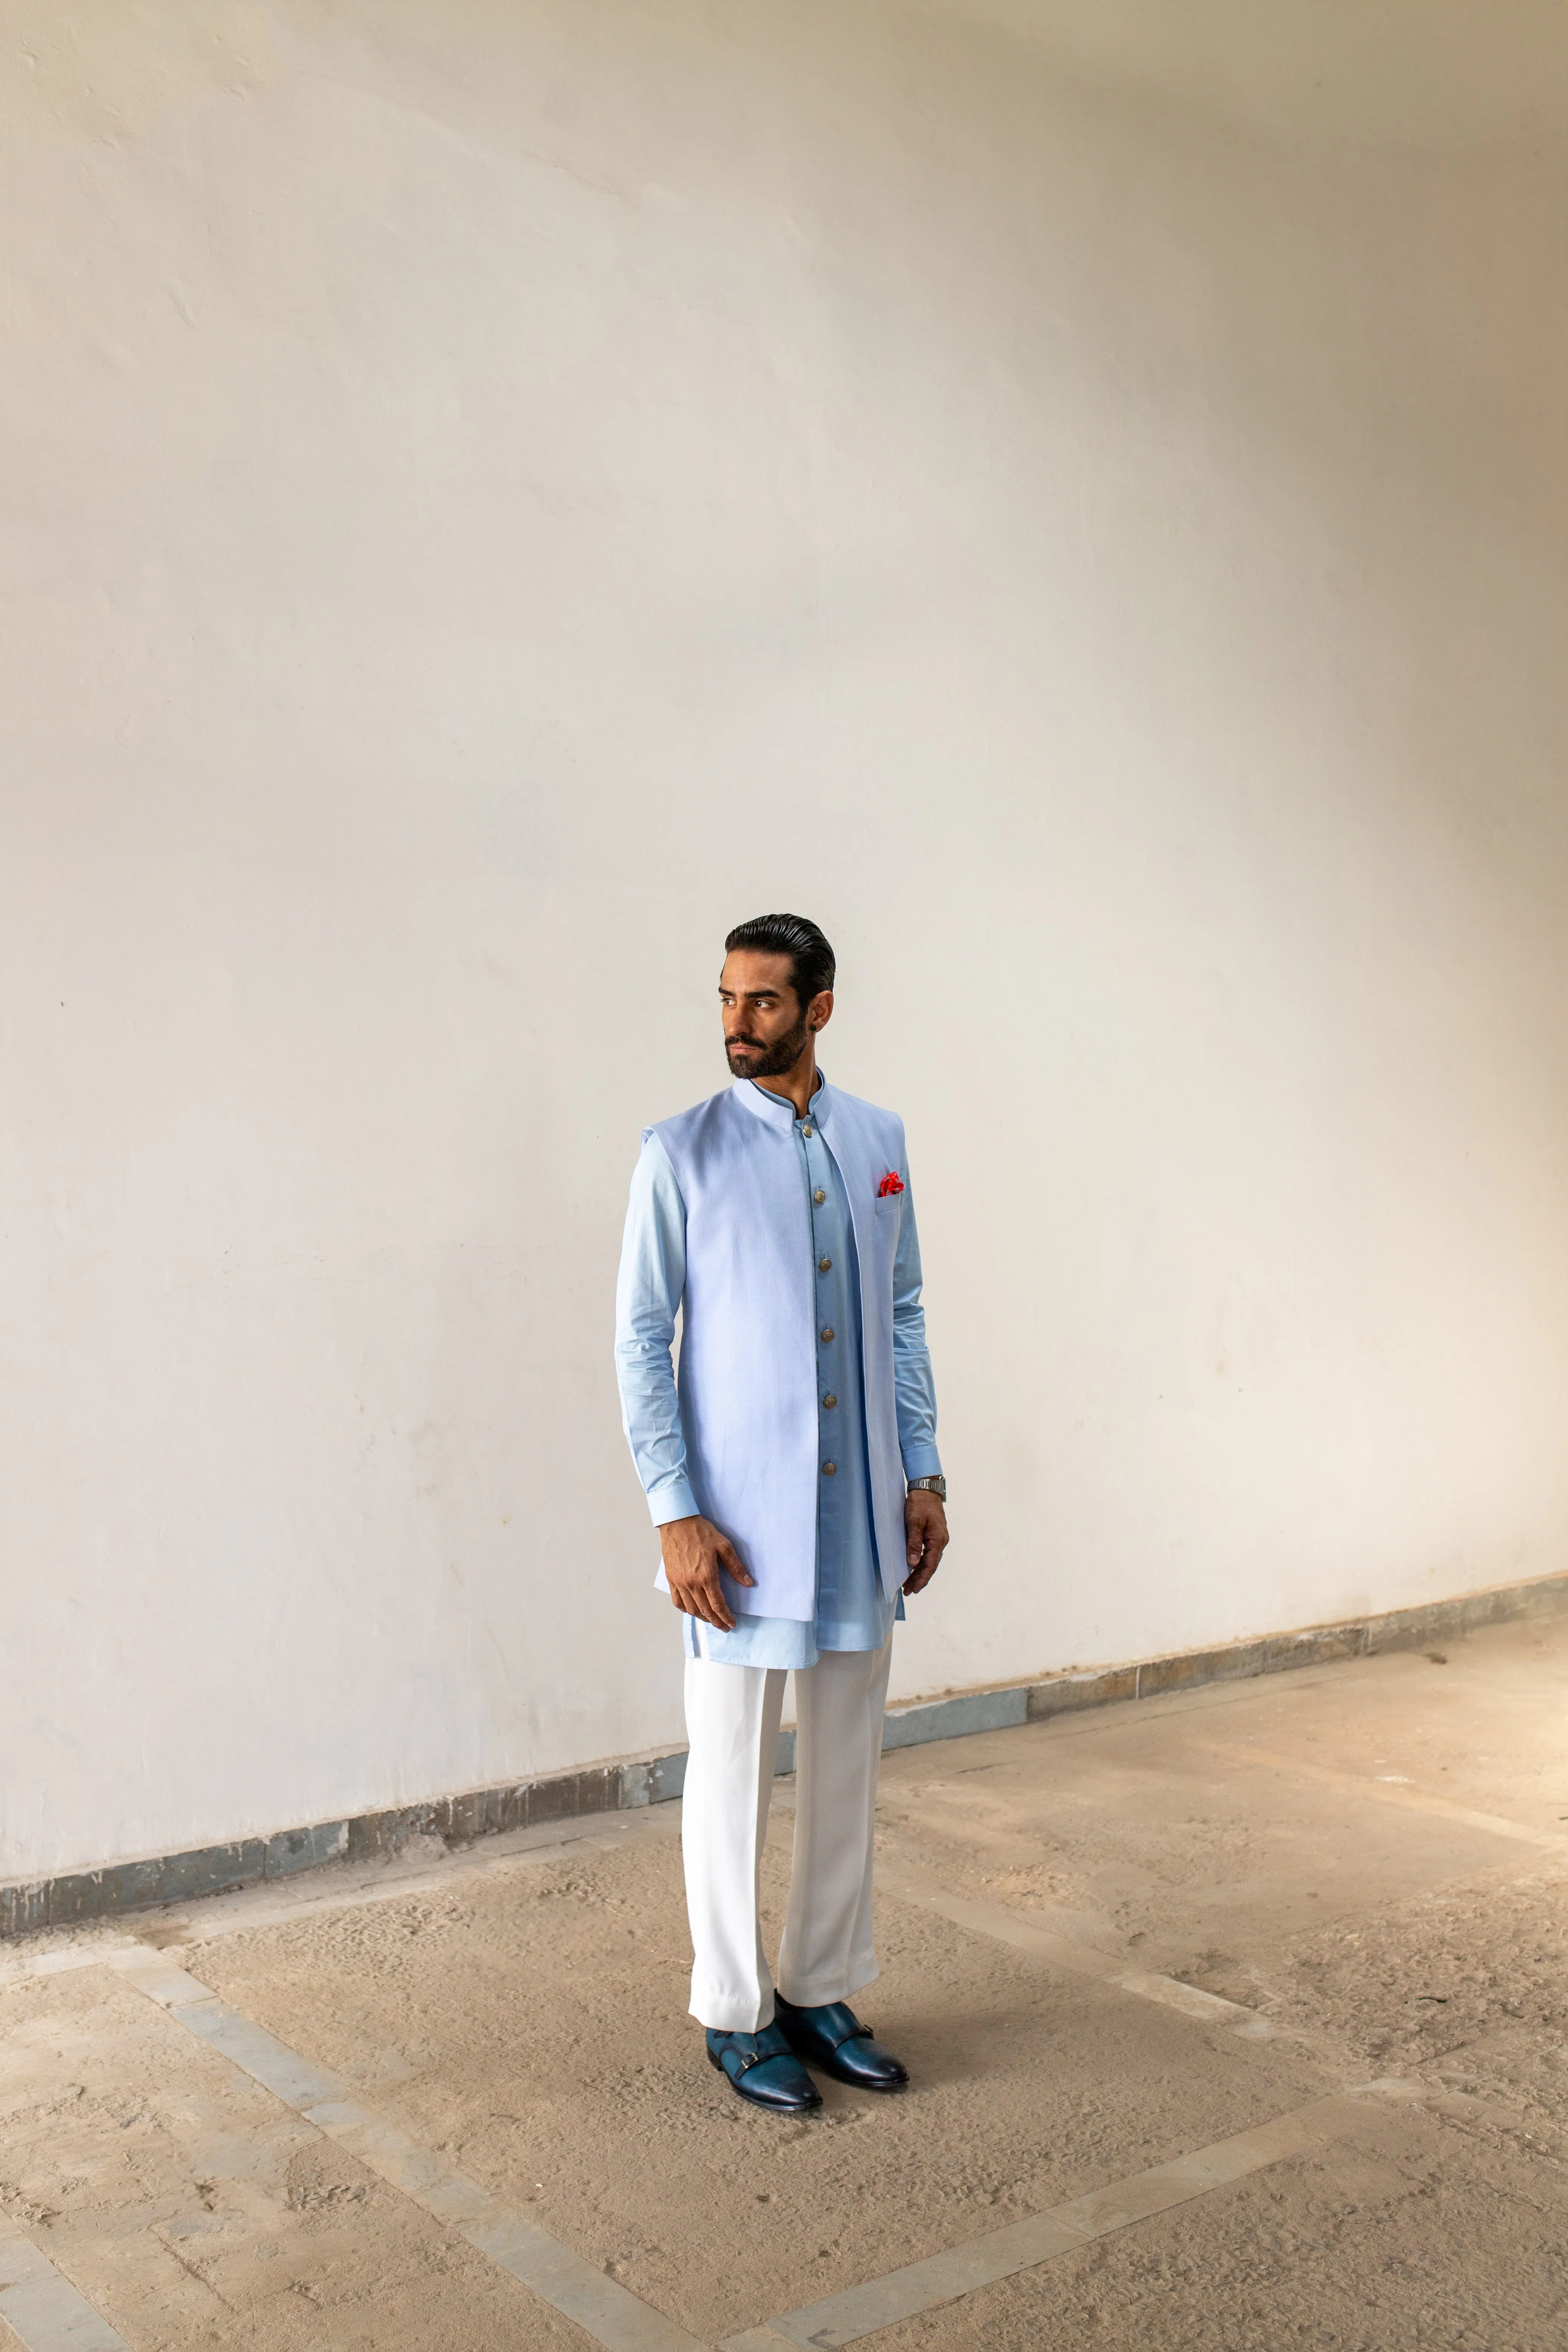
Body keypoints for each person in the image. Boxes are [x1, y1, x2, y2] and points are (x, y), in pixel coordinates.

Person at [614, 912, 949, 2113]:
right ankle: (735, 2009)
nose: (735, 1024)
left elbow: (903, 1316)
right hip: (734, 1530)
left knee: (848, 1759)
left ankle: (817, 1987)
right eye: (724, 999)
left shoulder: (879, 1140)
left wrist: (925, 1472)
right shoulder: (680, 1151)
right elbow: (641, 1341)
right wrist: (674, 1511)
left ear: (818, 1008)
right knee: (733, 1764)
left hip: (860, 1513)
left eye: (762, 1002)